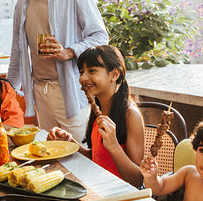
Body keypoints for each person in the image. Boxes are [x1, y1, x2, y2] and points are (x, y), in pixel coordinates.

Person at [7, 0, 108, 144]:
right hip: (38, 93)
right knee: (49, 153)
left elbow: (100, 36)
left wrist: (69, 51)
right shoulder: (21, 4)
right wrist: (6, 91)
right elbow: (17, 52)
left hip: (71, 92)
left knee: (79, 152)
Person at [47, 45, 144, 188]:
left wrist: (114, 146)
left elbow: (137, 180)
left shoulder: (131, 115)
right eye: (81, 72)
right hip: (99, 186)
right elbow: (97, 158)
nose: (83, 78)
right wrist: (70, 142)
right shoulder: (97, 108)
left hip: (122, 195)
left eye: (92, 71)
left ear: (114, 74)